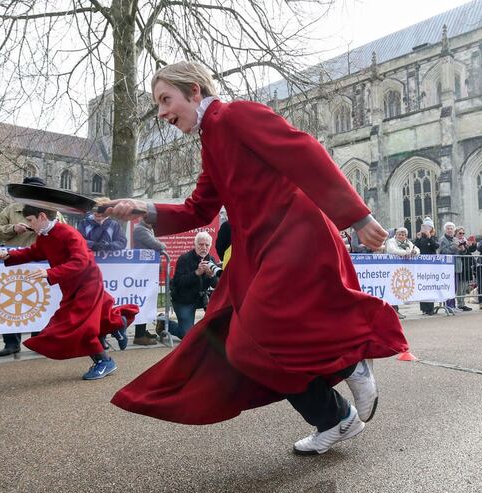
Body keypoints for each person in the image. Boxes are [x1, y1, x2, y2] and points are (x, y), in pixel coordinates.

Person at [107, 61, 407, 456]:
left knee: (268, 331)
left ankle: (352, 361)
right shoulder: (210, 142)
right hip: (257, 253)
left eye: (166, 99)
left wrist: (356, 215)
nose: (161, 112)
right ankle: (335, 418)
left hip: (293, 238)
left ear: (194, 91)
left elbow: (305, 152)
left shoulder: (236, 115)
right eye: (158, 103)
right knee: (244, 350)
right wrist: (142, 209)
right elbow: (199, 209)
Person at [0, 205, 139, 380]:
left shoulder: (68, 232)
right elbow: (35, 252)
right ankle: (118, 322)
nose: (28, 225)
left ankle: (104, 361)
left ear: (41, 217)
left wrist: (50, 273)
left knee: (77, 325)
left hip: (87, 283)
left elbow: (81, 261)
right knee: (88, 321)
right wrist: (10, 256)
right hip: (71, 286)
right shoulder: (45, 236)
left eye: (30, 220)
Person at [0, 176, 62, 356]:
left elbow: (61, 231)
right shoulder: (11, 210)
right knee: (11, 302)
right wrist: (13, 229)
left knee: (40, 302)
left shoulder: (52, 211)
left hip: (42, 261)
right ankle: (11, 343)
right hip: (16, 260)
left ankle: (38, 339)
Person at [157, 232, 220, 340]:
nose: (204, 248)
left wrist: (211, 276)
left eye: (207, 245)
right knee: (186, 334)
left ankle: (198, 332)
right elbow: (178, 282)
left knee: (216, 322)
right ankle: (163, 322)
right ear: (194, 245)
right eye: (201, 244)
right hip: (183, 299)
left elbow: (215, 285)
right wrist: (197, 273)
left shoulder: (211, 260)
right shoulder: (184, 259)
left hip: (201, 299)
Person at [131, 218, 167, 346]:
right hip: (143, 269)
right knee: (143, 301)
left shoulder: (147, 229)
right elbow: (158, 245)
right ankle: (139, 335)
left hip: (147, 269)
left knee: (147, 301)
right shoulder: (140, 229)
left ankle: (142, 330)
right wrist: (160, 245)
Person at [385, 228, 420, 319]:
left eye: (403, 234)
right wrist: (406, 253)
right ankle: (392, 311)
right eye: (399, 234)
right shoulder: (391, 241)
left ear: (406, 236)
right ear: (396, 235)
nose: (401, 236)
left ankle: (396, 310)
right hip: (391, 268)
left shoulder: (408, 242)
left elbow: (417, 250)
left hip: (401, 270)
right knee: (392, 290)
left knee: (397, 290)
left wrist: (414, 252)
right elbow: (392, 250)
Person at [413, 218, 439, 315]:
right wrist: (418, 238)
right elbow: (415, 247)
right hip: (421, 266)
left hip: (431, 266)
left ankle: (430, 308)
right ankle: (423, 308)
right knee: (422, 286)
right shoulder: (421, 238)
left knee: (429, 287)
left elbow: (435, 246)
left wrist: (429, 238)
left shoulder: (433, 237)